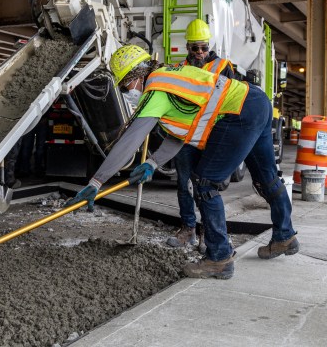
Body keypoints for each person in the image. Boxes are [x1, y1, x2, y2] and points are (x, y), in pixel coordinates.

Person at [66, 45, 297, 280]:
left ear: (135, 76)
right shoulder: (170, 76)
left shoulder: (155, 90)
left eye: (125, 84)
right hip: (256, 101)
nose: (127, 91)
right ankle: (285, 236)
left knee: (205, 183)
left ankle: (219, 258)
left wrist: (96, 182)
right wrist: (153, 163)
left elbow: (130, 141)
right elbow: (183, 132)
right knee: (266, 177)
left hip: (239, 112)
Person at [167, 18, 235, 250]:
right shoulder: (179, 69)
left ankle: (208, 233)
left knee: (206, 186)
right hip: (185, 137)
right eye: (195, 48)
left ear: (209, 46)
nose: (199, 52)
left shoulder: (222, 66)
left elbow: (230, 102)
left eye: (203, 47)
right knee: (184, 184)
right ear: (187, 47)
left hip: (211, 138)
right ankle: (188, 229)